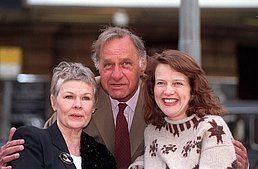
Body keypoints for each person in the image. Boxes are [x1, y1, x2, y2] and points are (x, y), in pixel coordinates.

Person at [0, 27, 249, 169]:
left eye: (126, 64)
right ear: (98, 67)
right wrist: (15, 158)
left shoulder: (162, 96)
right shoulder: (85, 95)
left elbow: (203, 133)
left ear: (142, 65)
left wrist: (236, 162)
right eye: (108, 65)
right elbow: (53, 141)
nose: (116, 74)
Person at [131, 49, 237, 168]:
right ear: (152, 89)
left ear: (192, 89)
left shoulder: (211, 127)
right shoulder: (152, 131)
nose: (168, 91)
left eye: (178, 83)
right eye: (161, 83)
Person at [6, 61, 116, 169]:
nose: (78, 105)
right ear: (53, 102)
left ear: (93, 106)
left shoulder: (102, 154)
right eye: (69, 97)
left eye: (85, 98)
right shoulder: (31, 141)